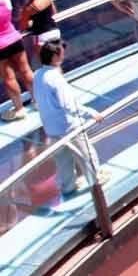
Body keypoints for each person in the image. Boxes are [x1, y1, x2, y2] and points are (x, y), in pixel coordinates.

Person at [33, 40, 109, 196]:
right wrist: (91, 113)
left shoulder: (38, 75)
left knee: (63, 160)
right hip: (68, 126)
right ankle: (96, 179)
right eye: (61, 52)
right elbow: (68, 105)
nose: (64, 54)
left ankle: (68, 186)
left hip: (51, 127)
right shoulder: (56, 78)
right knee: (86, 155)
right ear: (55, 57)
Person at [0, 0, 31, 122]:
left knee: (9, 78)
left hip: (1, 46)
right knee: (26, 70)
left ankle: (19, 109)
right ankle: (37, 100)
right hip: (14, 38)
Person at [14, 0, 59, 68]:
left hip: (42, 37)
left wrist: (30, 22)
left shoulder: (28, 8)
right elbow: (54, 11)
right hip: (55, 32)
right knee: (56, 63)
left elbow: (23, 26)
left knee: (47, 66)